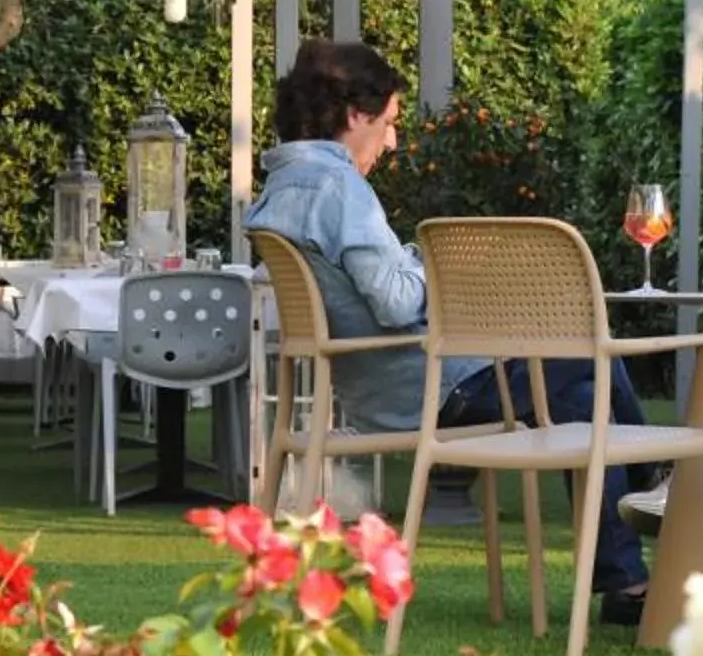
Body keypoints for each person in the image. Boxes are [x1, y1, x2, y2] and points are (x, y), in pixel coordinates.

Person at [248, 42, 653, 622]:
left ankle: (626, 580)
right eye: (387, 123)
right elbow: (394, 302)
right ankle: (657, 491)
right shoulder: (340, 192)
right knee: (591, 354)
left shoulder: (276, 192)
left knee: (585, 399)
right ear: (355, 115)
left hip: (376, 390)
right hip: (434, 389)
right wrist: (445, 277)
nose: (391, 142)